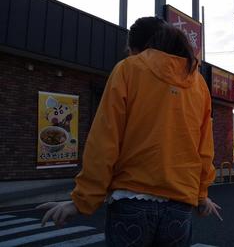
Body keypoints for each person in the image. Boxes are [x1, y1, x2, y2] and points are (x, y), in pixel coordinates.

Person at [37, 16, 221, 246]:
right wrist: (202, 194)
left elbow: (105, 141)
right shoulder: (198, 83)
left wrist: (82, 200)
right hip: (180, 205)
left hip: (131, 200)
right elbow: (204, 148)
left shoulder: (128, 69)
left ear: (138, 49)